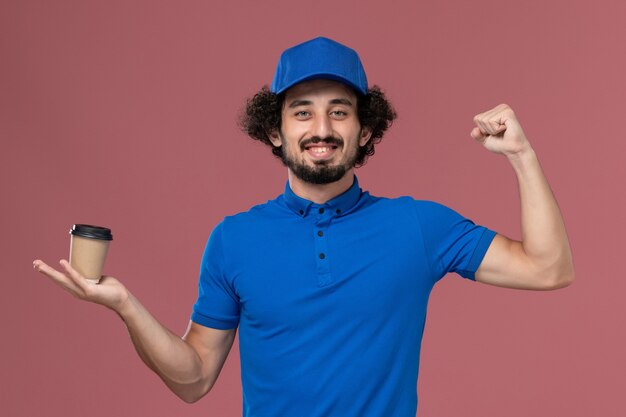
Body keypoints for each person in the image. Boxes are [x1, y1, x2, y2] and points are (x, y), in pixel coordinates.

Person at [33, 37, 575, 416]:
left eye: (340, 111)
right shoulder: (233, 239)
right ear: (274, 131)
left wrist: (522, 155)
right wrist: (125, 304)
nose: (321, 128)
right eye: (302, 112)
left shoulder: (417, 225)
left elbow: (548, 269)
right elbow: (195, 378)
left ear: (366, 131)